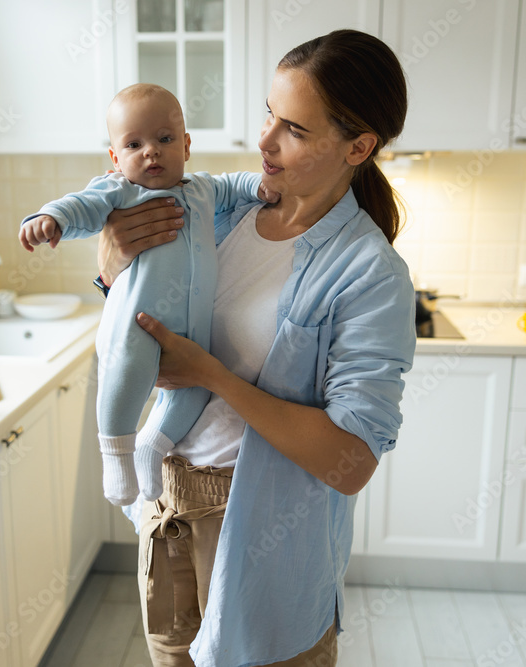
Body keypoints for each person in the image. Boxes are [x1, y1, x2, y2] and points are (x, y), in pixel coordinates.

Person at [96, 29, 416, 667]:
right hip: (165, 506)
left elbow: (350, 463)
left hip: (263, 529)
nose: (265, 141)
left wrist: (213, 376)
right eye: (269, 114)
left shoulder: (369, 273)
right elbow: (137, 297)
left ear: (359, 145)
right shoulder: (218, 212)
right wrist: (110, 265)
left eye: (294, 129)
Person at [18, 84, 274, 506]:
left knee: (193, 392)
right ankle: (116, 453)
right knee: (127, 377)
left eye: (165, 139)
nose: (151, 152)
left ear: (187, 146)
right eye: (134, 144)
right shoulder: (121, 192)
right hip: (136, 324)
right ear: (116, 159)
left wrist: (260, 188)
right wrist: (51, 218)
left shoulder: (203, 189)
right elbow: (80, 206)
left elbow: (236, 184)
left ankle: (151, 446)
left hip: (194, 334)